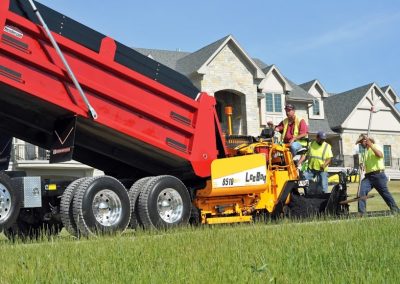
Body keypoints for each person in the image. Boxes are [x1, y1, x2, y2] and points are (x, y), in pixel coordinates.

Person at [355, 134, 399, 215]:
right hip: (368, 177)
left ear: (367, 141)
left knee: (385, 194)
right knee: (361, 191)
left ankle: (395, 210)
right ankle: (361, 213)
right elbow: (363, 164)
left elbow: (380, 155)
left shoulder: (376, 146)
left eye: (361, 142)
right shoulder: (364, 152)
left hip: (379, 175)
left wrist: (371, 145)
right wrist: (362, 165)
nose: (361, 144)